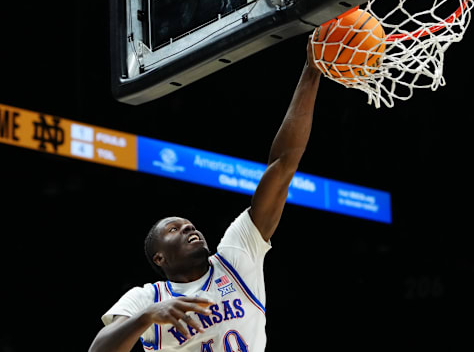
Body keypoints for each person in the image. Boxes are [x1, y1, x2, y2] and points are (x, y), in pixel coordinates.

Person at [89, 36, 322, 352]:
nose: (189, 228)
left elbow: (283, 165)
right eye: (174, 229)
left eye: (188, 225)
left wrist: (312, 69)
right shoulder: (149, 298)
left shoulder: (236, 257)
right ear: (160, 257)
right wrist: (146, 317)